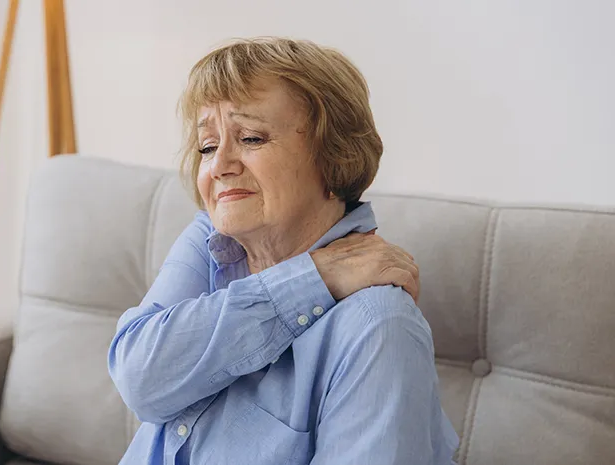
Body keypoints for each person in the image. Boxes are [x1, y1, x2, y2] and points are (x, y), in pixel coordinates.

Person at [107, 37, 458, 465]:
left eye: (251, 138)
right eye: (207, 146)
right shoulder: (211, 238)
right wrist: (315, 278)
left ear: (334, 157)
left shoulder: (379, 326)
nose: (219, 166)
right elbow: (139, 378)